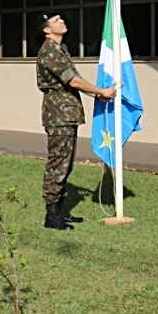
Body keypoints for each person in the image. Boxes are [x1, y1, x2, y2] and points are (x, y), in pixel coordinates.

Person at [36, 12, 116, 231]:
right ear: (47, 30)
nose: (62, 21)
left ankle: (60, 210)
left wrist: (98, 94)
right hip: (58, 115)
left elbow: (73, 83)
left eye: (61, 18)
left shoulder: (60, 50)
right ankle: (51, 215)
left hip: (65, 113)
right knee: (58, 163)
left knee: (66, 163)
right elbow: (73, 80)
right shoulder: (50, 52)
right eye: (55, 21)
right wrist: (100, 91)